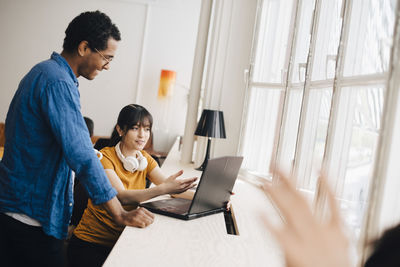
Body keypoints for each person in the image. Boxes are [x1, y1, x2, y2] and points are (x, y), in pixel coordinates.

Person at [0, 11, 155, 267]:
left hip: (18, 211)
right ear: (84, 47)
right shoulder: (57, 82)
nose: (107, 65)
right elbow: (82, 154)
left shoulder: (48, 74)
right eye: (106, 57)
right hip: (28, 219)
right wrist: (120, 214)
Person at [67, 104, 197, 266]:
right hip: (91, 244)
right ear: (121, 130)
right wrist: (163, 189)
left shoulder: (144, 159)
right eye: (136, 128)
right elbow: (121, 197)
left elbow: (172, 188)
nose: (142, 135)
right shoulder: (104, 157)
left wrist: (209, 198)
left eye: (147, 129)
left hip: (121, 241)